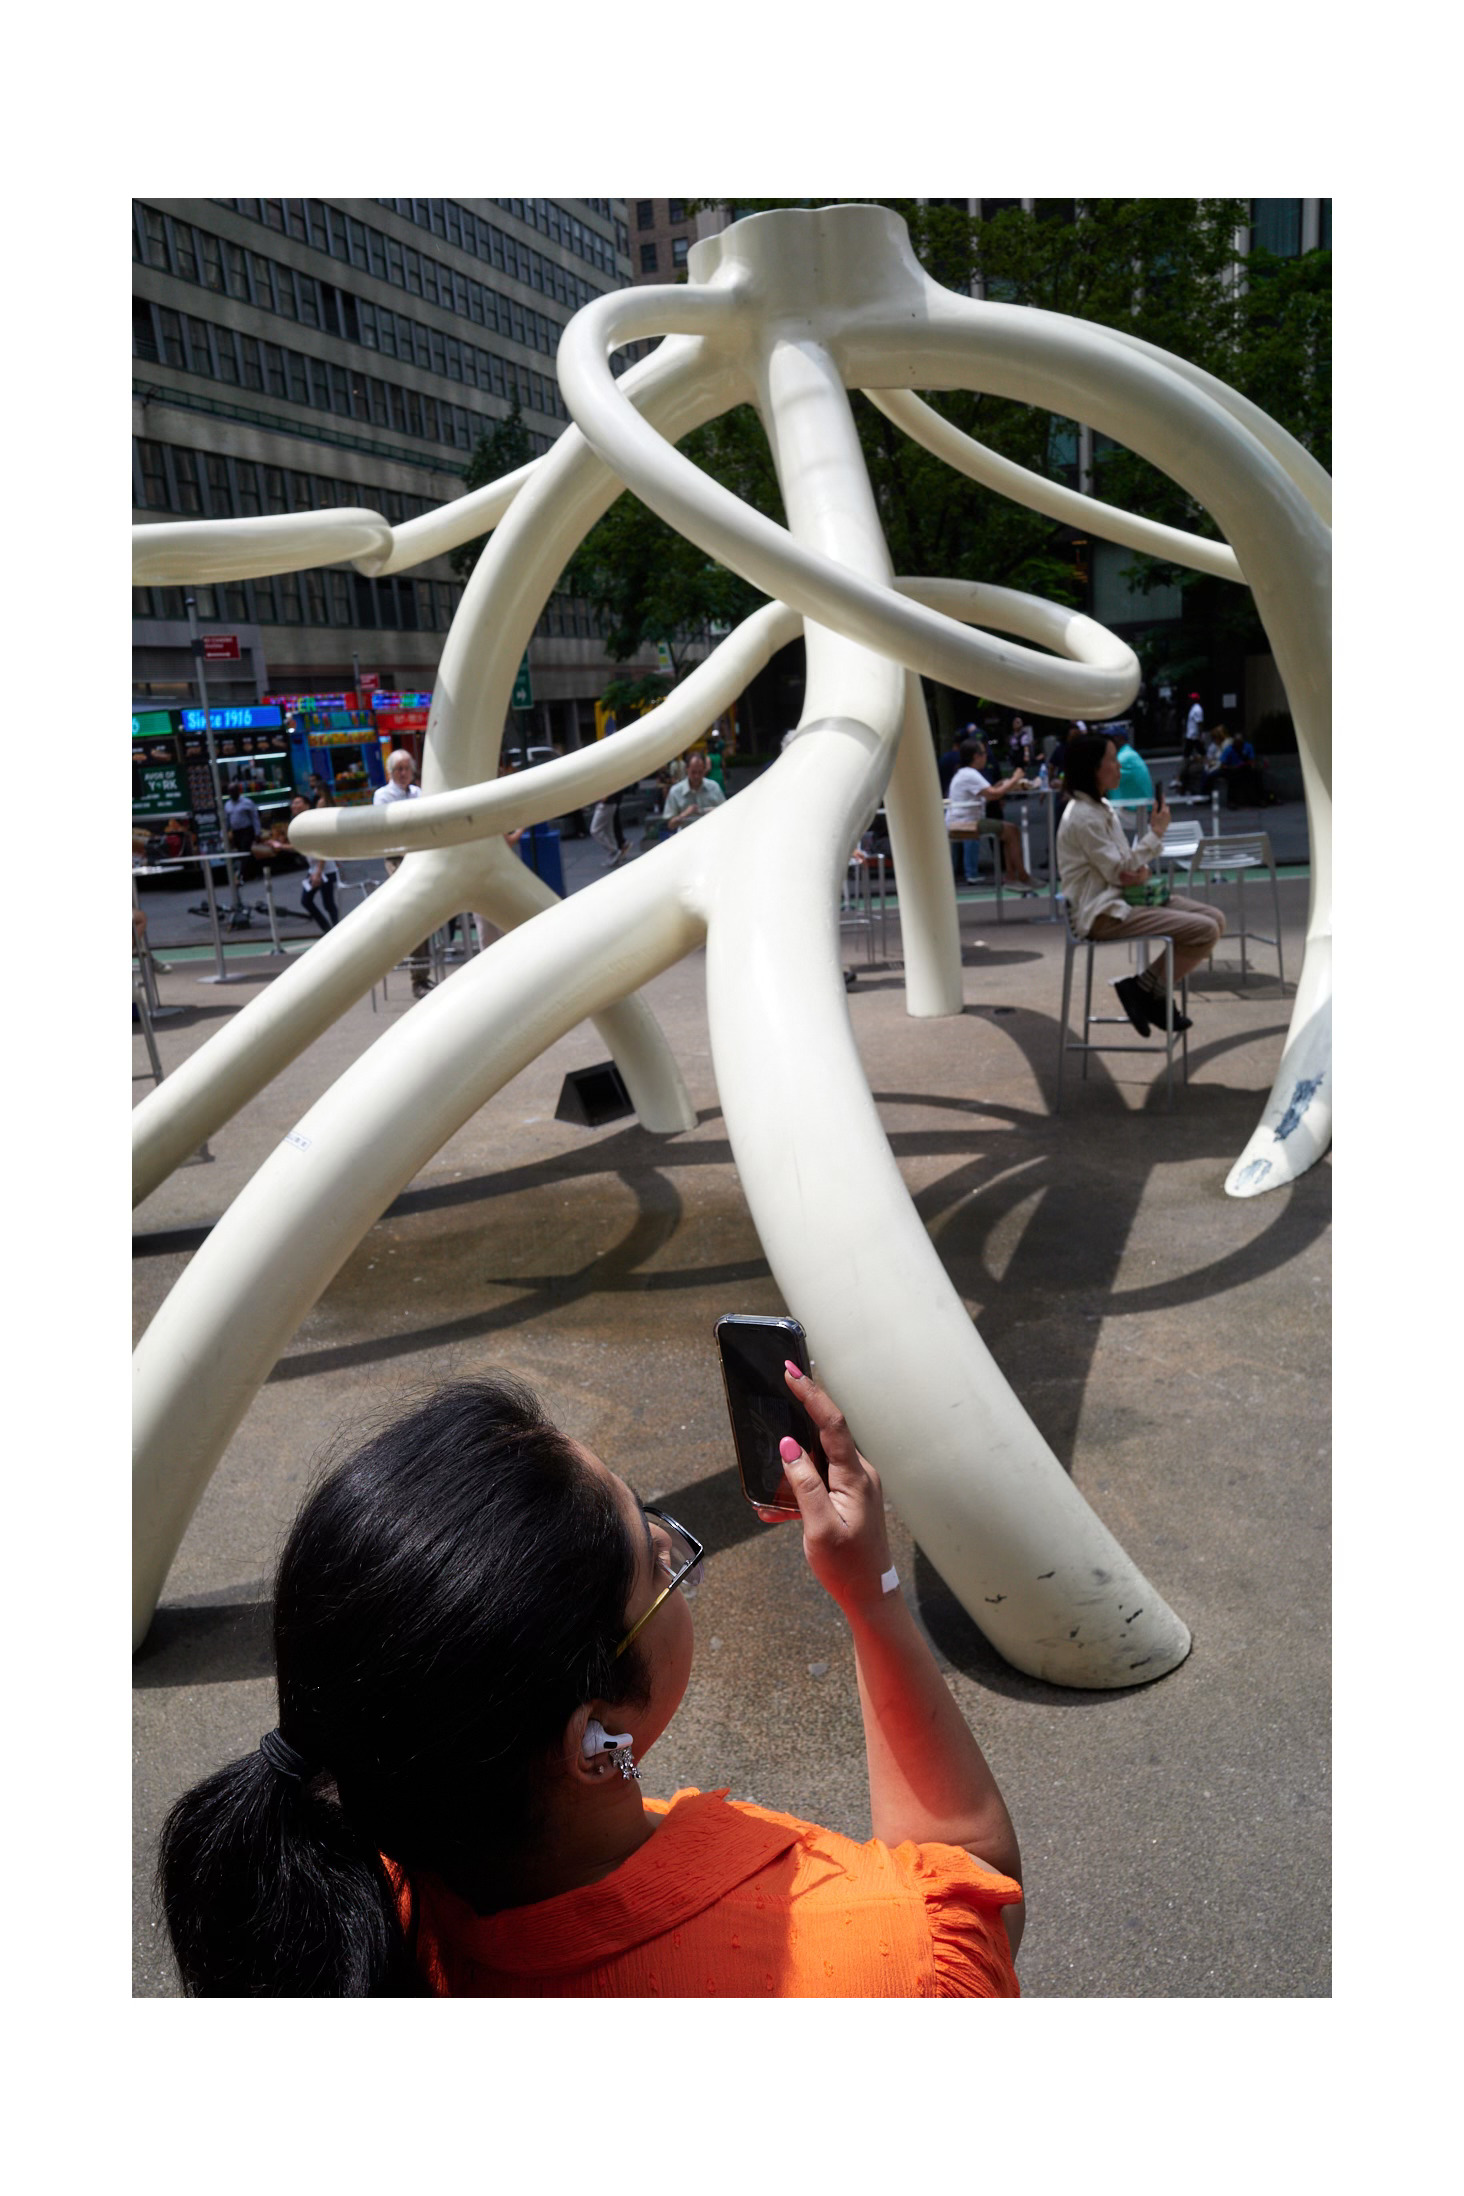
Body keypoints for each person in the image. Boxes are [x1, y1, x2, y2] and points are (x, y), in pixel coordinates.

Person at [157, 1368, 1023, 1997]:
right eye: (656, 1559)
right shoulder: (879, 1961)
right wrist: (871, 1595)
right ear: (595, 1741)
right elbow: (974, 1882)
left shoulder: (349, 1898)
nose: (669, 1542)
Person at [1057, 731, 1226, 1036]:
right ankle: (1148, 992)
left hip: (1125, 897)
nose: (1119, 767)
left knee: (1215, 919)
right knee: (1205, 930)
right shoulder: (1084, 816)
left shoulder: (1101, 808)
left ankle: (1144, 989)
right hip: (1103, 912)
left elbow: (1127, 865)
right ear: (1093, 769)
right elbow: (1121, 870)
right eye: (1112, 760)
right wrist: (1155, 834)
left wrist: (1139, 869)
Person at [373, 750, 432, 997]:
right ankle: (418, 978)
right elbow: (389, 829)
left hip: (422, 856)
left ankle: (422, 975)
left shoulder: (418, 792)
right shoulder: (383, 796)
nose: (404, 773)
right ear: (390, 772)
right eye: (399, 769)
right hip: (398, 859)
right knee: (413, 912)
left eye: (407, 768)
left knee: (427, 914)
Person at [946, 739, 1035, 888]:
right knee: (1011, 831)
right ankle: (1020, 876)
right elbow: (994, 794)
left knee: (1010, 831)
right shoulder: (970, 774)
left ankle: (1013, 876)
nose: (986, 756)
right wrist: (1015, 778)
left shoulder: (965, 773)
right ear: (976, 756)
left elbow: (989, 793)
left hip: (963, 820)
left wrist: (1004, 785)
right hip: (967, 823)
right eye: (984, 753)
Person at [289, 796, 340, 933]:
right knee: (306, 901)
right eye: (293, 803)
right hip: (314, 869)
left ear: (307, 805)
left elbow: (322, 846)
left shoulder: (312, 821)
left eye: (297, 802)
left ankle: (336, 930)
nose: (294, 805)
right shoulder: (299, 823)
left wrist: (319, 871)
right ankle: (328, 929)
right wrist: (280, 846)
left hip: (324, 869)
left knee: (328, 904)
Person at [662, 749, 726, 830]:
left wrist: (715, 811)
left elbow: (726, 813)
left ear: (705, 769)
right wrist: (684, 814)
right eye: (693, 772)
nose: (697, 776)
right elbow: (670, 825)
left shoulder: (714, 787)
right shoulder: (675, 791)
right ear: (687, 769)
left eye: (700, 772)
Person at [1113, 728, 1155, 806]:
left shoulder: (1124, 757)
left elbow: (1105, 782)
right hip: (1137, 806)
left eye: (1109, 738)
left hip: (1136, 809)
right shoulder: (1128, 752)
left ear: (1119, 739)